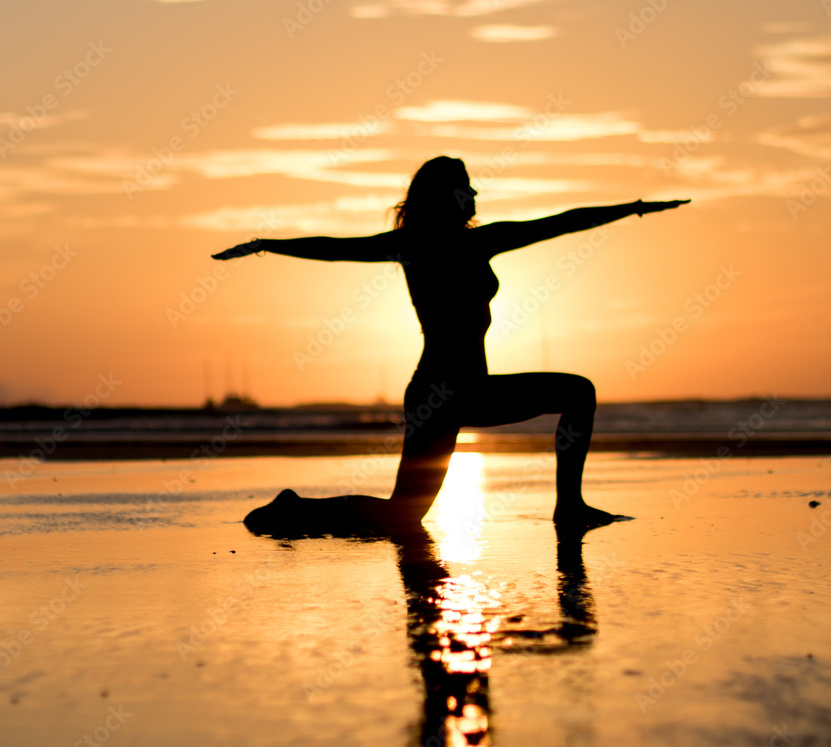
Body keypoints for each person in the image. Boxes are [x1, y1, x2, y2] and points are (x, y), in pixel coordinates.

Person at [213, 156, 689, 534]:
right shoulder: (414, 245)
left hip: (454, 391)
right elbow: (335, 247)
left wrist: (633, 208)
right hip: (443, 391)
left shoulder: (474, 242)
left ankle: (297, 508)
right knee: (576, 392)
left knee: (402, 513)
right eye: (466, 184)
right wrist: (266, 244)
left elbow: (563, 222)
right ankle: (569, 509)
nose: (475, 193)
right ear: (445, 194)